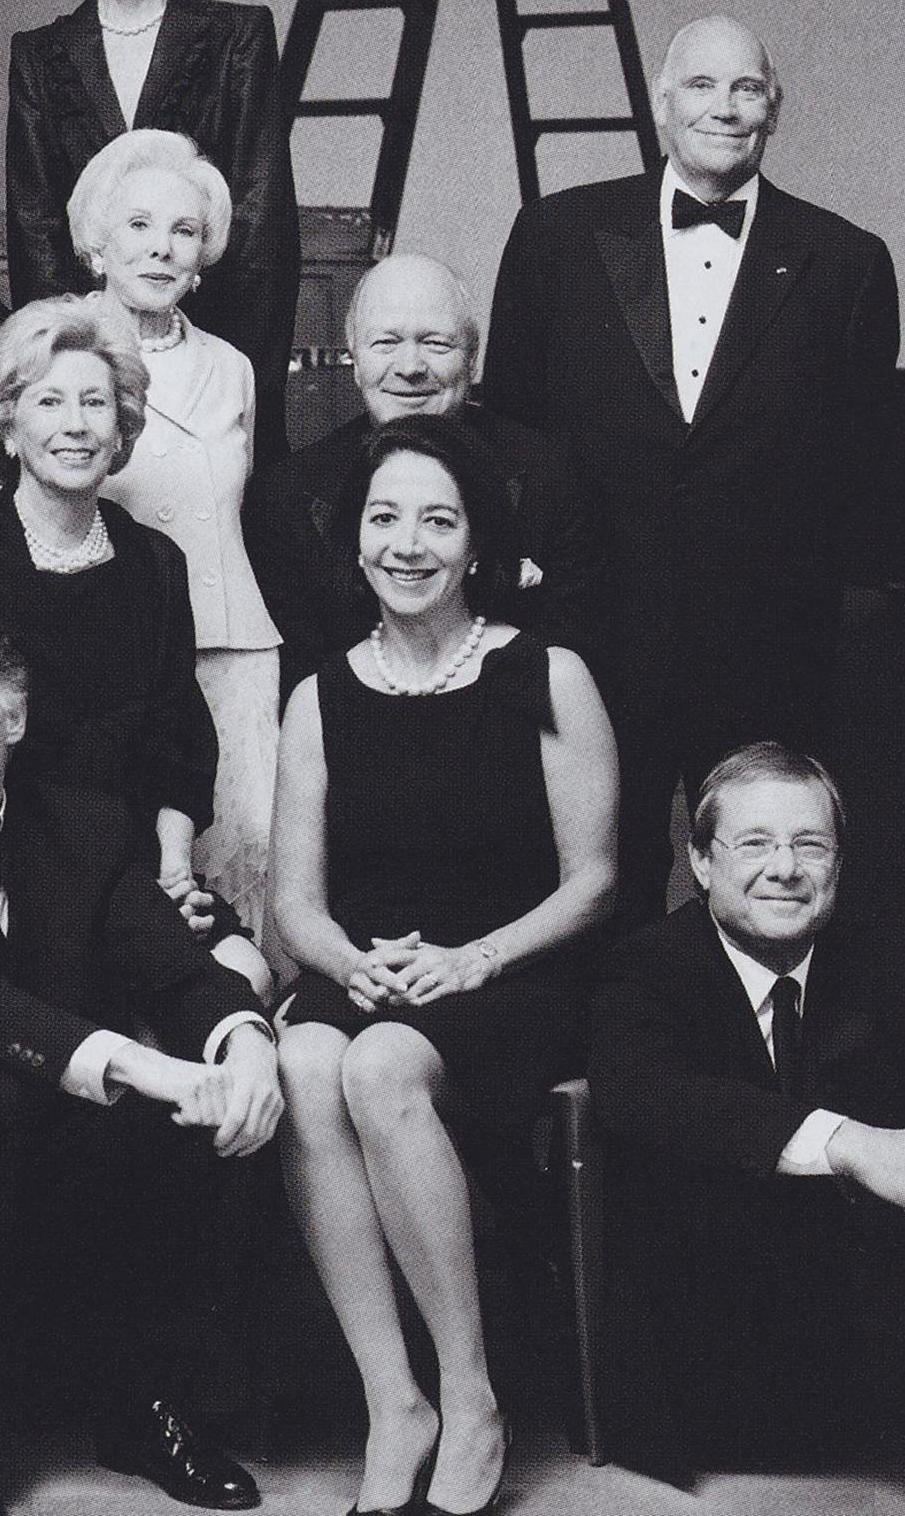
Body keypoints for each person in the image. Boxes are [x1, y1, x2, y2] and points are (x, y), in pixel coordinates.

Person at [0, 594, 284, 1516]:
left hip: (70, 1120)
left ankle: (144, 1403)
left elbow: (172, 965)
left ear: (14, 715)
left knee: (201, 1100)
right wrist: (137, 1062)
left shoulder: (86, 824)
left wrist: (247, 1044)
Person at [270, 420, 618, 1516]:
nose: (406, 543)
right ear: (354, 540)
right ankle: (394, 1402)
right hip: (370, 967)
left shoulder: (545, 672)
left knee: (376, 1066)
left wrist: (475, 959)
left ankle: (470, 1396)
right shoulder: (319, 694)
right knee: (304, 1060)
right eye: (383, 518)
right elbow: (293, 903)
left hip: (513, 969)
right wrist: (346, 963)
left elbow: (595, 880)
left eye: (436, 519)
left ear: (475, 544)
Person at [482, 13, 904, 913]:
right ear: (661, 101)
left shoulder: (848, 261)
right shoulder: (556, 235)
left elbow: (866, 471)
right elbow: (510, 434)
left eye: (747, 88)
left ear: (774, 109)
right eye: (703, 85)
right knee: (589, 893)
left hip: (769, 644)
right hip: (593, 634)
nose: (725, 106)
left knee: (766, 890)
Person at [590, 744, 905, 1504]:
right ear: (700, 861)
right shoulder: (647, 965)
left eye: (810, 844)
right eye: (755, 844)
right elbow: (645, 1094)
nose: (786, 868)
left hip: (871, 1322)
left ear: (837, 863)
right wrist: (851, 1143)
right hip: (717, 1348)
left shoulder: (878, 952)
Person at [0, 300, 233, 941]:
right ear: (7, 428)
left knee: (244, 974)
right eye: (49, 402)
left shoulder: (155, 562)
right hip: (5, 881)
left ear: (121, 429)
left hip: (138, 868)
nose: (77, 425)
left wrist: (173, 872)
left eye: (95, 402)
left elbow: (180, 741)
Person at [36, 129, 279, 937]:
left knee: (245, 859)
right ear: (96, 243)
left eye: (183, 230)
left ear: (203, 254)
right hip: (103, 652)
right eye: (138, 225)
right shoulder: (48, 348)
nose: (161, 247)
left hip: (232, 647)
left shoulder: (233, 366)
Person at [3, 0, 299, 456]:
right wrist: (64, 366)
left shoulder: (239, 36)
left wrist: (239, 385)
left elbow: (260, 222)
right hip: (89, 367)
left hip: (212, 347)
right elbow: (35, 230)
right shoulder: (38, 54)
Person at [245, 254, 610, 697]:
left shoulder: (550, 476)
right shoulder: (284, 497)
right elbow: (305, 684)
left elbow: (571, 658)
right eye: (385, 343)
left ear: (472, 359)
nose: (410, 367)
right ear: (355, 359)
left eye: (436, 343)